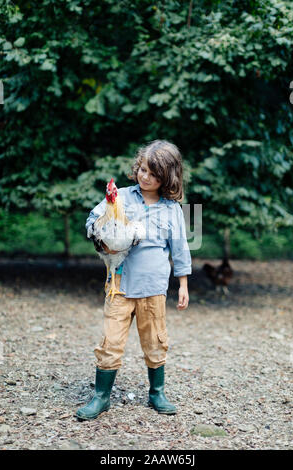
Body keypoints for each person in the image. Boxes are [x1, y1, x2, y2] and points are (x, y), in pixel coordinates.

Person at [75, 139, 192, 420]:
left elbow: (180, 247)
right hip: (119, 284)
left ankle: (157, 392)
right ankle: (101, 396)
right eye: (142, 169)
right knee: (110, 341)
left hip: (154, 288)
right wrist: (100, 232)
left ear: (167, 177)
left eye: (153, 173)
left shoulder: (172, 209)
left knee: (155, 341)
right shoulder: (122, 197)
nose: (145, 176)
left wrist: (184, 284)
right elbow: (92, 218)